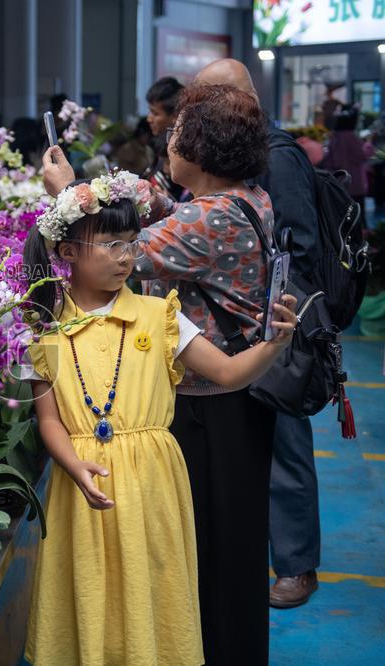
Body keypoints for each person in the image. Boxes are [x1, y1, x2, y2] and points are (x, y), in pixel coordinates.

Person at [41, 83, 279, 665]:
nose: (166, 141)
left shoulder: (206, 223)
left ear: (198, 148)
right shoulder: (247, 199)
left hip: (216, 399)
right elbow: (161, 220)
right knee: (229, 547)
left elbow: (112, 249)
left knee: (213, 552)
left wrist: (66, 193)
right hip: (236, 395)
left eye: (174, 134)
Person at [195, 57, 325, 611]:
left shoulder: (276, 156)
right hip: (243, 325)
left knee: (286, 444)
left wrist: (264, 309)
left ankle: (297, 566)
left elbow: (300, 244)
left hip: (277, 322)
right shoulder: (233, 150)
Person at [324, 104, 374, 229]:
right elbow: (362, 155)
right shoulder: (350, 136)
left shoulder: (334, 136)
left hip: (339, 181)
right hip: (354, 182)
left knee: (343, 217)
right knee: (359, 216)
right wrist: (368, 144)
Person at [145, 77, 185, 200]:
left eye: (155, 113)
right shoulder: (160, 145)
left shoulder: (182, 152)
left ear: (175, 115)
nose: (149, 119)